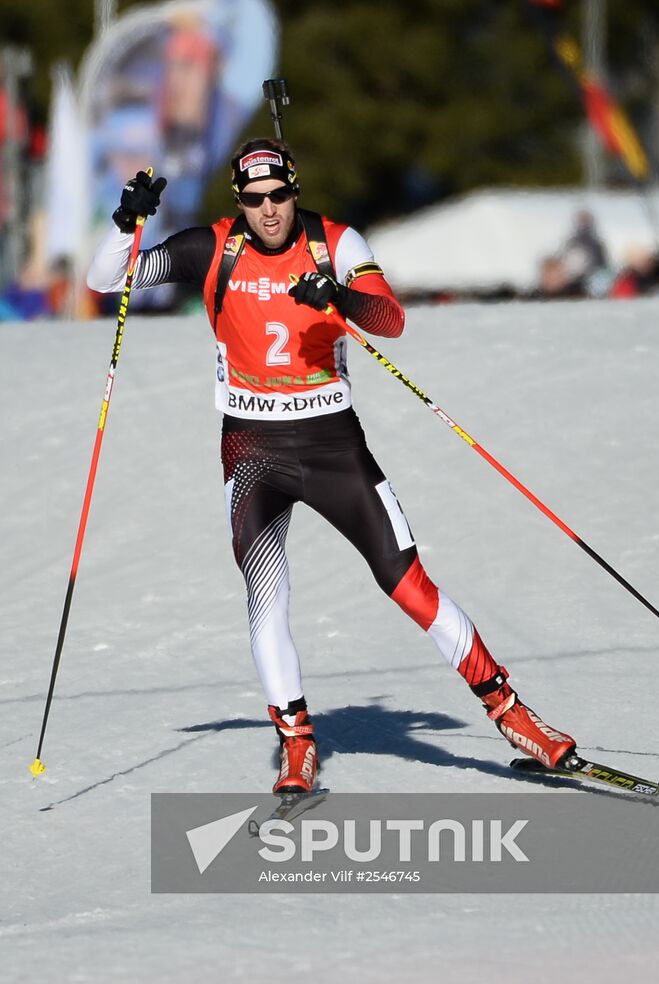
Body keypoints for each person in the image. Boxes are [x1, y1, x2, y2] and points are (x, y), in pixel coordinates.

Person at [87, 138, 577, 793]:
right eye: (255, 199)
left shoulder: (335, 243)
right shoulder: (213, 247)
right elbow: (104, 279)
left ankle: (515, 716)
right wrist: (128, 223)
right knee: (267, 596)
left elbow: (391, 320)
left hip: (333, 445)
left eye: (279, 196)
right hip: (253, 450)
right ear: (240, 201)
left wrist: (339, 299)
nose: (268, 211)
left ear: (295, 189)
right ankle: (297, 745)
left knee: (409, 585)